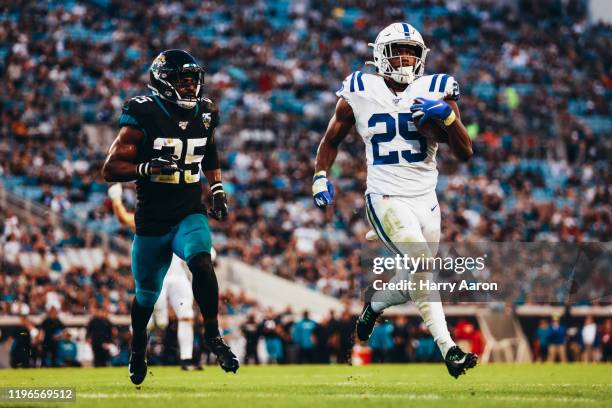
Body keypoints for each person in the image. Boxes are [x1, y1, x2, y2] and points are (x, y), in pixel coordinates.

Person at [313, 22, 476, 378]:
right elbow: (331, 139)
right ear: (379, 55)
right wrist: (320, 175)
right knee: (421, 263)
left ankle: (374, 306)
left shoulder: (437, 88)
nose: (404, 59)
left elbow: (465, 152)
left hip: (426, 200)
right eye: (397, 51)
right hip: (385, 195)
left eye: (411, 52)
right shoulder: (359, 88)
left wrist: (447, 117)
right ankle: (449, 350)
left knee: (411, 281)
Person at [102, 49, 239, 385]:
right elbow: (110, 169)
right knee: (146, 296)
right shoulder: (143, 112)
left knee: (202, 261)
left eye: (193, 80)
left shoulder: (205, 113)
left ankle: (212, 335)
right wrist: (145, 168)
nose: (191, 86)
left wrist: (217, 189)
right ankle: (138, 347)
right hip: (151, 220)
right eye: (182, 80)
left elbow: (209, 151)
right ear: (163, 81)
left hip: (188, 212)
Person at [108, 183, 201, 371]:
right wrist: (116, 198)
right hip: (157, 276)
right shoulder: (149, 219)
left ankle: (186, 359)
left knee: (186, 315)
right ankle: (137, 354)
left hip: (178, 275)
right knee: (155, 323)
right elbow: (123, 218)